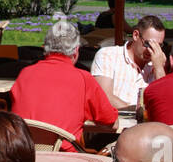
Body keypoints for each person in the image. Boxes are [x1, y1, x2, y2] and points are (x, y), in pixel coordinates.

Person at [10, 18, 118, 150]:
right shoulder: (83, 79)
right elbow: (111, 122)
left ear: (45, 48)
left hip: (24, 156)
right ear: (76, 51)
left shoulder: (25, 74)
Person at [90, 15, 167, 108]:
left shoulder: (157, 65)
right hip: (117, 119)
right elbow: (104, 96)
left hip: (146, 121)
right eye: (148, 44)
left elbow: (165, 103)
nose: (151, 50)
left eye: (158, 46)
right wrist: (136, 113)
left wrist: (159, 68)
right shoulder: (108, 55)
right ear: (136, 35)